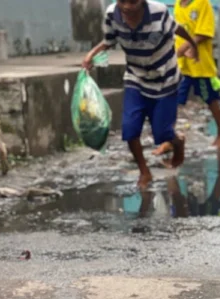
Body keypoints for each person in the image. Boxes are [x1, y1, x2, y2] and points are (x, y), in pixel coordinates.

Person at [82, 0, 200, 188]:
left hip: (165, 79)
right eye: (123, 1)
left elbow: (178, 29)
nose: (128, 7)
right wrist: (91, 55)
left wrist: (193, 45)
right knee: (129, 129)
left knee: (162, 134)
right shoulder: (112, 13)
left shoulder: (158, 12)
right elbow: (108, 41)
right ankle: (144, 172)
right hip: (136, 78)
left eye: (133, 2)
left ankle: (177, 142)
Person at [155, 0, 220, 158]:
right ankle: (170, 139)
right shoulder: (177, 5)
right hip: (182, 66)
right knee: (173, 100)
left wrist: (184, 48)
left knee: (210, 99)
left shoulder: (202, 4)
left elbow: (204, 32)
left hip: (199, 65)